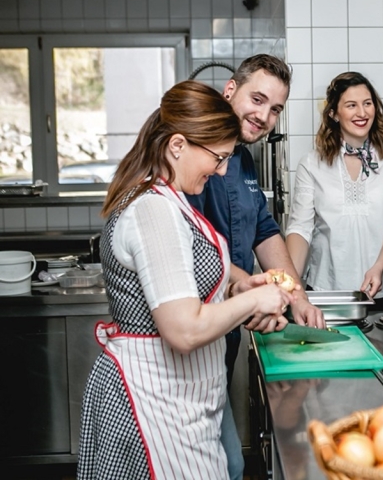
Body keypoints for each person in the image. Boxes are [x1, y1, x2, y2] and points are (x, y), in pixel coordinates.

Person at [78, 80, 296, 479]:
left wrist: (238, 286)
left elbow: (189, 277)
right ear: (178, 146)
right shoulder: (153, 211)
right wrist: (255, 300)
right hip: (153, 404)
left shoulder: (172, 200)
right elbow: (182, 329)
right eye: (218, 157)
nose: (222, 170)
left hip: (180, 401)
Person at [185, 54, 325, 480]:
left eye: (276, 109)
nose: (264, 116)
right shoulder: (193, 155)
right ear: (230, 90)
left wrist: (295, 295)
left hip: (223, 338)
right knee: (216, 463)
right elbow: (195, 246)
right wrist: (253, 289)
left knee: (224, 460)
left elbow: (264, 232)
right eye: (257, 100)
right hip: (191, 331)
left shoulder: (243, 159)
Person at [285, 72, 383, 312]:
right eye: (351, 105)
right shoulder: (311, 164)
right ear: (334, 113)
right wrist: (290, 286)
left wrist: (378, 267)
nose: (362, 113)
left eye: (367, 103)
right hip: (326, 292)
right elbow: (300, 228)